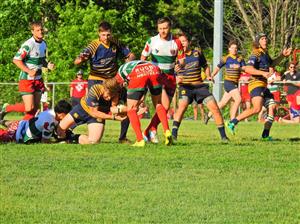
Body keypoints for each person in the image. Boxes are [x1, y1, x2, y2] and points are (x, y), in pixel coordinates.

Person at [74, 21, 135, 144]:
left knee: (125, 105)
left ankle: (122, 137)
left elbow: (130, 55)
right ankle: (73, 127)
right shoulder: (93, 45)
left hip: (112, 81)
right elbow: (77, 61)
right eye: (103, 35)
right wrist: (81, 59)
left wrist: (127, 65)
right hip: (96, 79)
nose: (106, 38)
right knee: (94, 109)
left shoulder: (115, 43)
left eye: (108, 35)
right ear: (99, 34)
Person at [226, 33, 292, 140]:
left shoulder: (264, 54)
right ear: (258, 42)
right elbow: (248, 68)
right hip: (256, 84)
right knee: (257, 108)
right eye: (262, 39)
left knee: (273, 108)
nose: (265, 40)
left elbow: (272, 64)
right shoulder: (256, 54)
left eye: (266, 38)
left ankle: (265, 135)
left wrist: (283, 56)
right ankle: (232, 123)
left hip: (263, 85)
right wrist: (263, 73)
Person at [171, 33, 229, 141]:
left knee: (215, 108)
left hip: (199, 87)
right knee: (182, 106)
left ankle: (224, 137)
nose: (182, 44)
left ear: (188, 42)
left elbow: (205, 65)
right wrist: (175, 77)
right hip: (185, 87)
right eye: (180, 42)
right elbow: (169, 72)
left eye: (184, 41)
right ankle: (173, 135)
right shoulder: (175, 57)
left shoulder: (197, 53)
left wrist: (208, 76)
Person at [141, 17, 185, 143]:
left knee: (164, 108)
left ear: (170, 27)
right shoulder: (152, 41)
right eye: (160, 28)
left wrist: (180, 65)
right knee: (164, 105)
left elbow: (182, 60)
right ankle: (154, 131)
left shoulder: (176, 42)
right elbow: (143, 57)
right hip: (157, 77)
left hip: (171, 77)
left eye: (165, 28)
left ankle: (149, 130)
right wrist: (145, 71)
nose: (163, 31)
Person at [0, 21, 55, 121]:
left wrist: (47, 65)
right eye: (37, 30)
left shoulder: (43, 43)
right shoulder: (28, 44)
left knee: (34, 110)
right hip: (27, 79)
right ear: (32, 32)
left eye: (41, 30)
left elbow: (41, 60)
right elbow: (16, 60)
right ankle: (7, 108)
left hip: (38, 79)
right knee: (29, 107)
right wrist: (28, 71)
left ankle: (23, 130)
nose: (40, 32)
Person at [115, 60, 173, 147]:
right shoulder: (132, 64)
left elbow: (119, 86)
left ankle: (140, 140)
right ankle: (167, 131)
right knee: (158, 103)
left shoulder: (119, 75)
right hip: (154, 70)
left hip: (138, 73)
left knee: (131, 109)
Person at [57, 78, 126, 145]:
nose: (109, 98)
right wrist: (113, 117)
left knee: (93, 142)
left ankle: (71, 138)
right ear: (104, 88)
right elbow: (94, 113)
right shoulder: (95, 89)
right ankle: (66, 136)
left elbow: (113, 108)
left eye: (112, 95)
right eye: (108, 94)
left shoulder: (116, 93)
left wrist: (122, 110)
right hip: (82, 110)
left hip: (98, 115)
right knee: (59, 131)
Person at [205, 40, 246, 123]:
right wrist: (212, 76)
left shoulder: (240, 59)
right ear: (229, 49)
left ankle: (209, 114)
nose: (234, 49)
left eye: (236, 48)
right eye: (232, 48)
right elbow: (217, 68)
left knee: (223, 103)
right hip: (228, 82)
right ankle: (232, 121)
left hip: (235, 83)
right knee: (238, 99)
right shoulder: (226, 58)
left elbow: (245, 70)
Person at [0, 100, 71, 143]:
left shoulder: (50, 112)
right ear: (62, 114)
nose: (68, 117)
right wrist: (59, 142)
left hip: (20, 124)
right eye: (67, 115)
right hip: (16, 135)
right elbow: (44, 141)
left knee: (11, 124)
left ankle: (1, 121)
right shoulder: (50, 122)